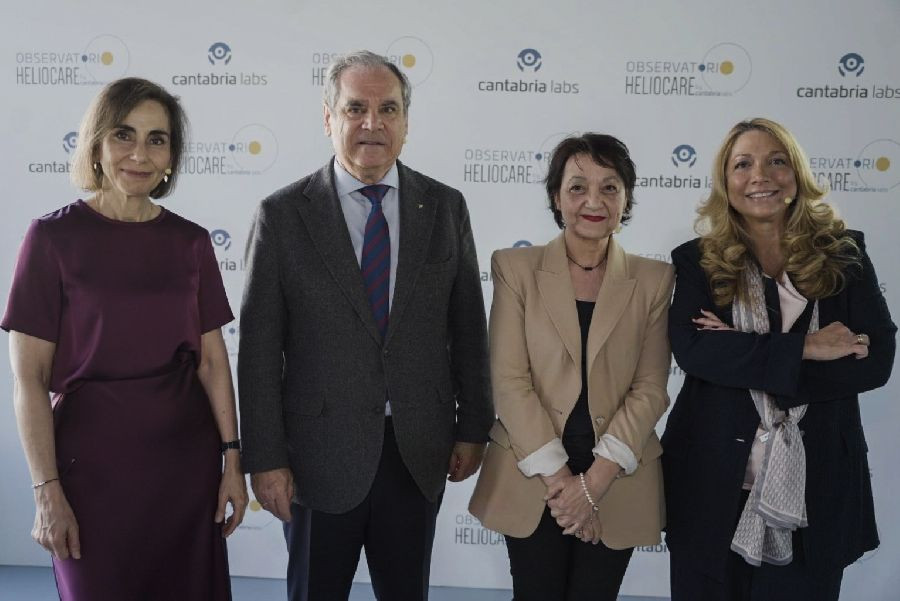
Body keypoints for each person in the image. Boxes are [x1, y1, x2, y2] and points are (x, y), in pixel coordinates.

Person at [238, 50, 492, 601]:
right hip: (315, 458)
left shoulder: (445, 207)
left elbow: (469, 328)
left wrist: (474, 427)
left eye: (388, 109)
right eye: (356, 108)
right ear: (328, 118)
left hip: (417, 450)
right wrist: (266, 459)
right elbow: (258, 351)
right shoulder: (282, 215)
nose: (372, 123)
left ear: (406, 121)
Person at [2, 77, 247, 600]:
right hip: (89, 473)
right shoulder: (51, 239)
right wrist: (46, 490)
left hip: (186, 468)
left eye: (157, 139)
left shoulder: (191, 242)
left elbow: (211, 363)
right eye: (123, 135)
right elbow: (29, 379)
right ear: (96, 145)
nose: (139, 153)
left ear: (171, 157)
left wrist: (232, 460)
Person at [662, 117, 896, 601]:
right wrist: (808, 348)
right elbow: (696, 352)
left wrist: (744, 352)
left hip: (817, 488)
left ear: (797, 174)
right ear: (725, 182)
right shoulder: (698, 260)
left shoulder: (845, 255)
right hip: (711, 486)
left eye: (776, 161)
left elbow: (876, 361)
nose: (760, 176)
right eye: (742, 164)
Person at [469, 133, 674, 600]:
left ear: (626, 199)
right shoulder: (515, 268)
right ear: (556, 198)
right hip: (533, 472)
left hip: (617, 474)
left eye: (610, 187)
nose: (593, 201)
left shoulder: (654, 279)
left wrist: (594, 484)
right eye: (577, 187)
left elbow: (650, 388)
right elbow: (509, 381)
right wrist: (565, 485)